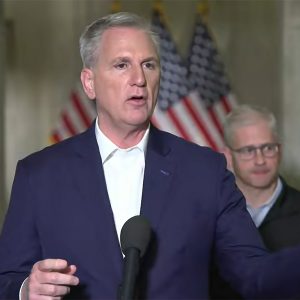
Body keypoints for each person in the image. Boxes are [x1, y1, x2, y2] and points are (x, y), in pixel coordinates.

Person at [1, 12, 300, 300]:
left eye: (149, 65)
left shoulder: (205, 172)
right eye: (121, 65)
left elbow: (254, 275)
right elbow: (7, 280)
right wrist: (25, 290)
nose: (139, 79)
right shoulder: (38, 175)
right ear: (89, 82)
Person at [210, 104, 300, 299]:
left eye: (268, 148)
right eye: (248, 150)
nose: (260, 160)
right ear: (228, 156)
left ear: (280, 150)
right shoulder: (209, 217)